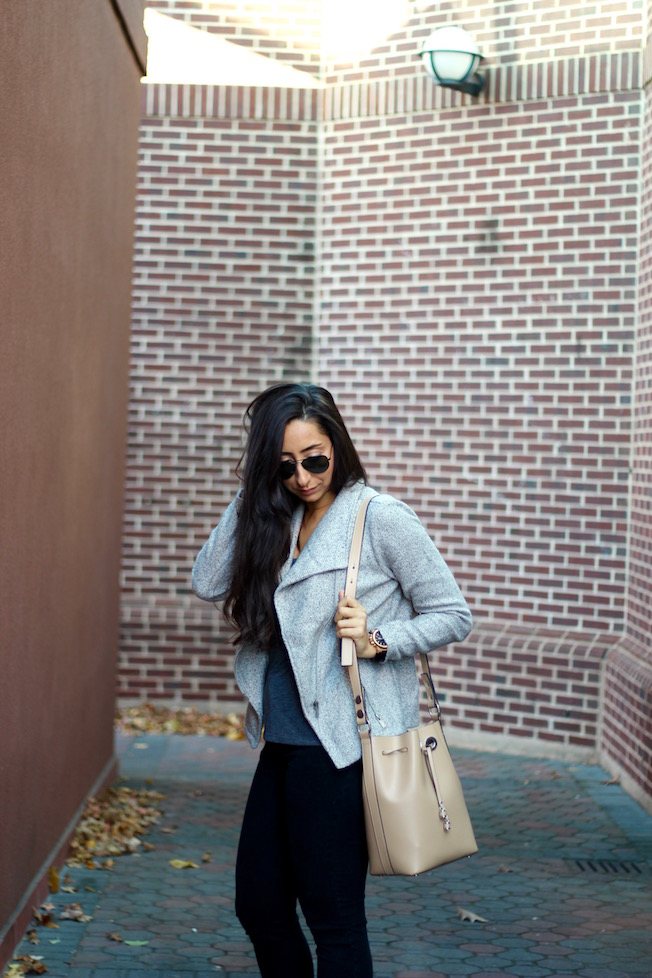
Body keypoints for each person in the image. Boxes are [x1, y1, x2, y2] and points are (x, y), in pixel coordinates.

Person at [192, 382, 472, 978]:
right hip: (282, 744)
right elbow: (208, 580)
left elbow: (453, 614)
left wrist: (378, 640)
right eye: (283, 465)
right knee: (259, 905)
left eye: (314, 460)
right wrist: (251, 490)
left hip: (341, 750)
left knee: (334, 920)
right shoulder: (276, 517)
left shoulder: (380, 518)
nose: (302, 478)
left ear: (337, 446)